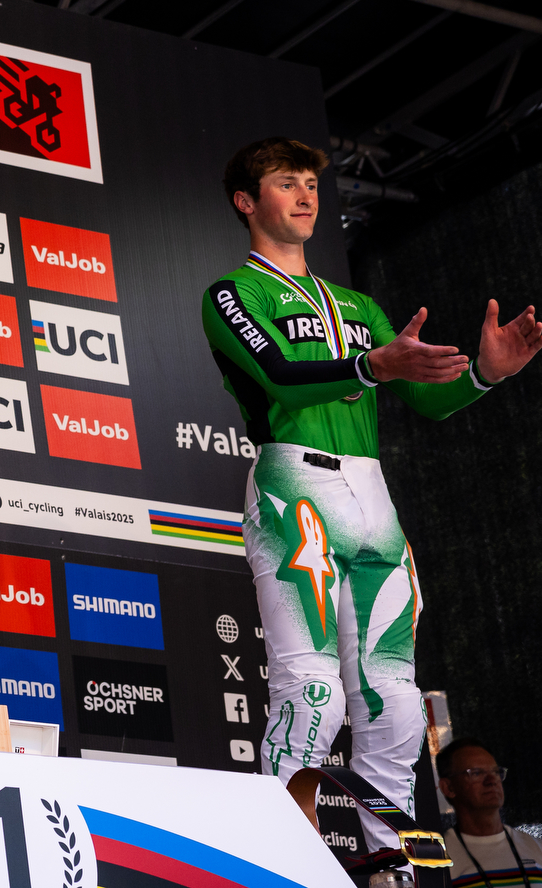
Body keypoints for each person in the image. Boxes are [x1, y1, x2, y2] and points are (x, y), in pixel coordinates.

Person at [200, 137, 540, 853]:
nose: (305, 195)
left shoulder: (357, 302)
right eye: (287, 182)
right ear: (246, 201)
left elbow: (423, 401)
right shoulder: (233, 293)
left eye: (313, 185)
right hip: (294, 486)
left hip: (372, 495)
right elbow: (279, 376)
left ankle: (389, 857)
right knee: (312, 692)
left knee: (395, 703)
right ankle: (288, 859)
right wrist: (370, 364)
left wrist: (484, 374)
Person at [439, 739, 542, 886]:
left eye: (496, 772)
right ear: (448, 787)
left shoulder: (536, 848)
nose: (491, 780)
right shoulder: (438, 859)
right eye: (476, 773)